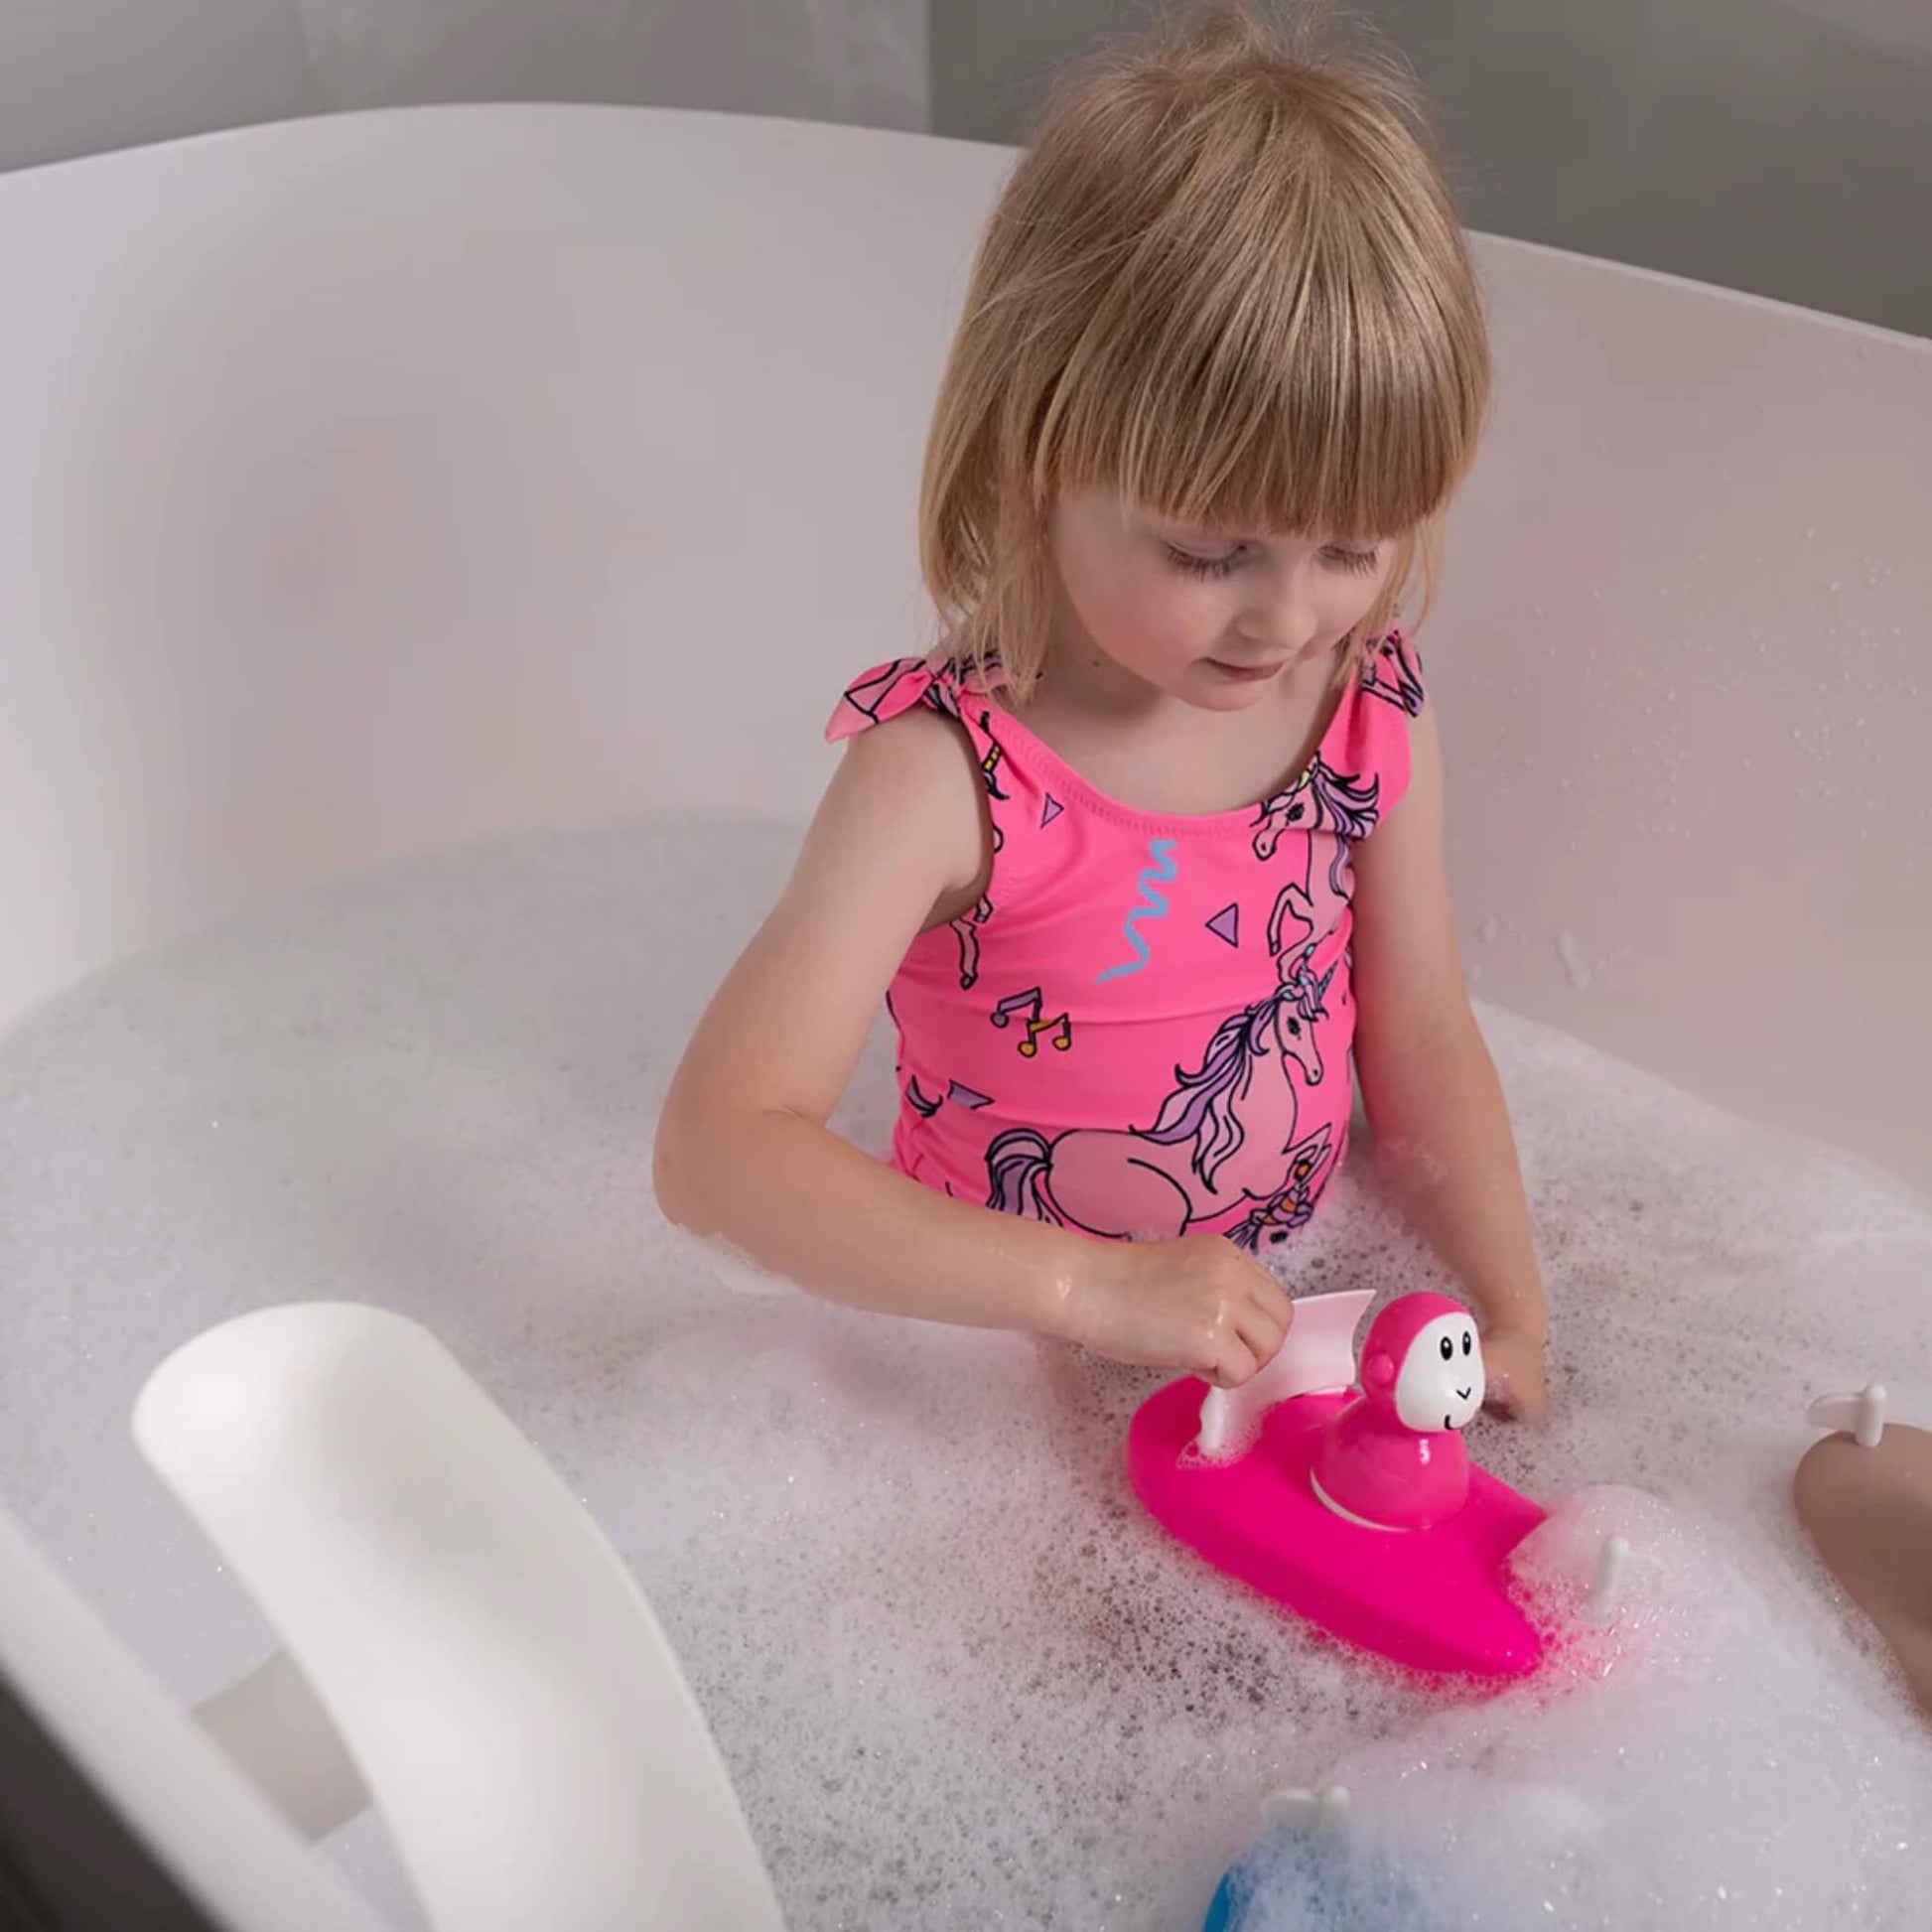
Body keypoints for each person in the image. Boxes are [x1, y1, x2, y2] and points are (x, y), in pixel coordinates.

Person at [654, 0, 1550, 1416]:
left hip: (1293, 1328)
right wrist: (1088, 1288)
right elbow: (717, 1146)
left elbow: (1419, 1031)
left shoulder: (1364, 708)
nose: (1290, 616)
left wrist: (1508, 1308)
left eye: (1354, 542)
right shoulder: (944, 779)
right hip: (985, 1360)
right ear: (1033, 460)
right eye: (1211, 552)